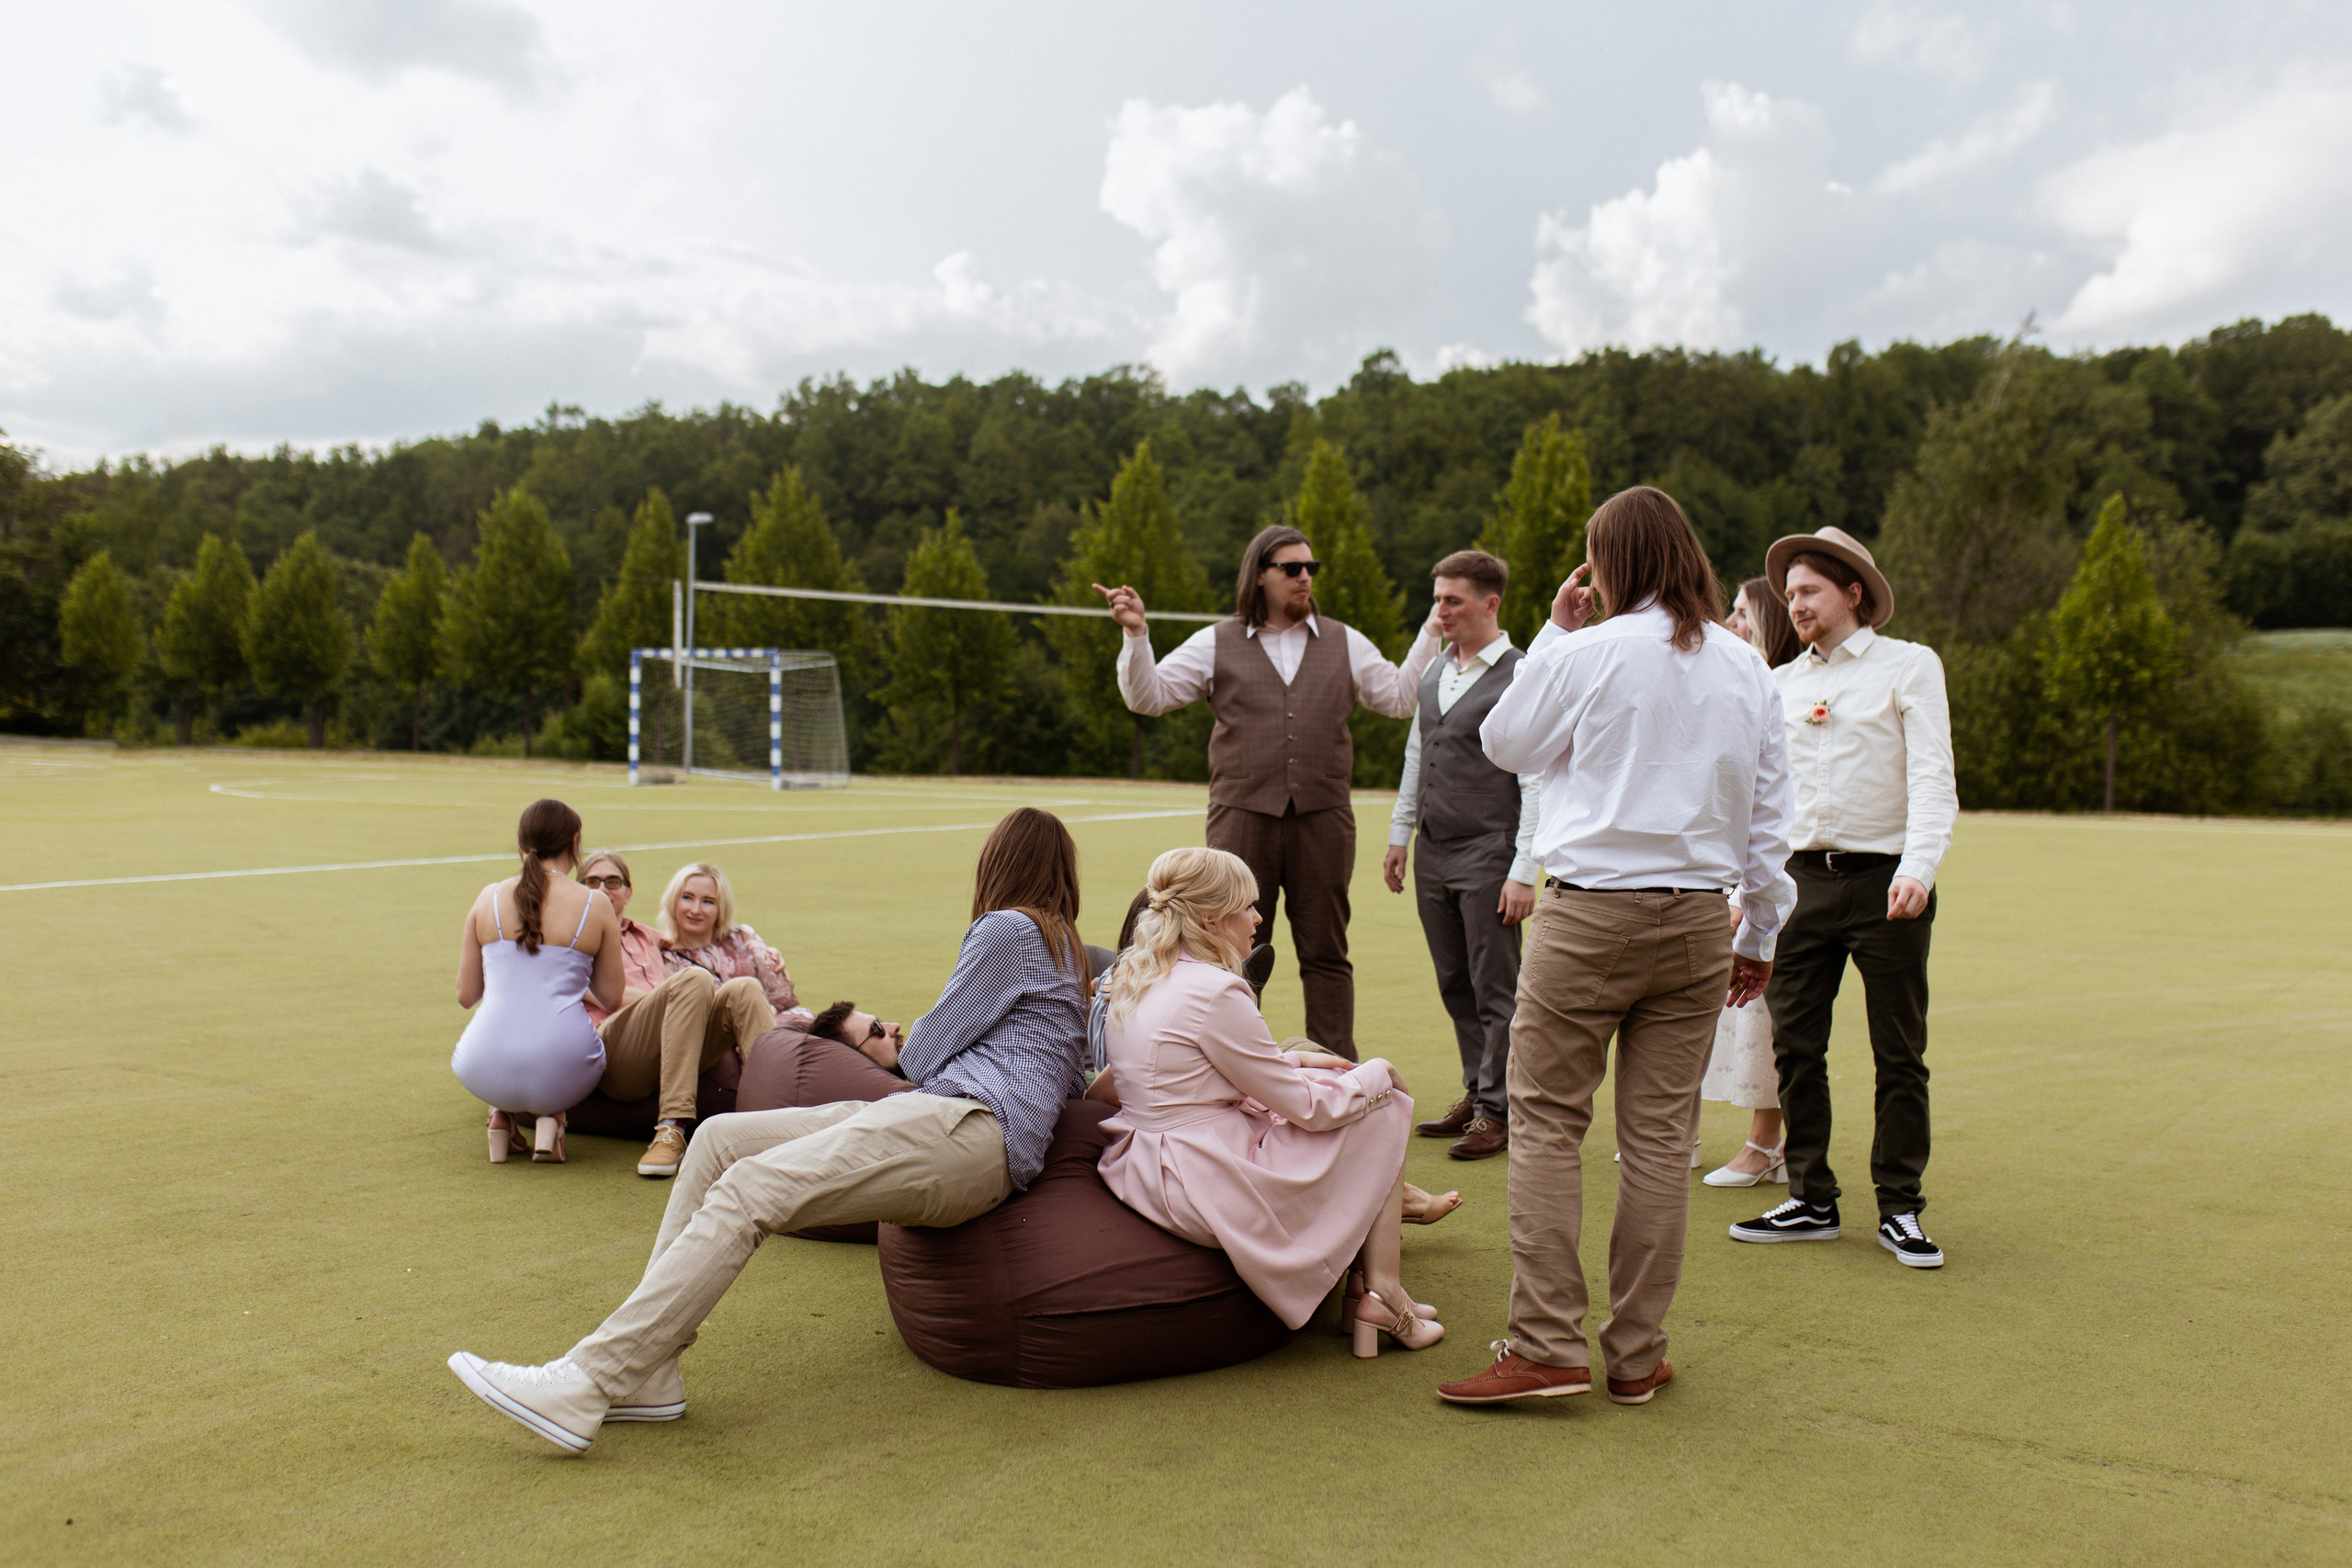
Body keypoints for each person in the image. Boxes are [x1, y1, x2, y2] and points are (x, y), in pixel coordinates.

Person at [447, 807, 1091, 1453]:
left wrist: (921, 1040)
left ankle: (591, 1377)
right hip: (944, 1117)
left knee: (751, 1185)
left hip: (968, 1125)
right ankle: (651, 1368)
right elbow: (1065, 1078)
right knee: (719, 1139)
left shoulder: (1008, 930)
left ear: (998, 862)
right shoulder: (1066, 951)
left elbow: (921, 1051)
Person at [1435, 486, 1793, 1408]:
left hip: (1591, 914)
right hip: (1700, 922)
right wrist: (1758, 930)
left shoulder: (1588, 650)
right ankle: (1636, 1355)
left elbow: (1503, 741)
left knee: (1549, 1125)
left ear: (1603, 566)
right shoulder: (1747, 664)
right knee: (1658, 1141)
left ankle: (1547, 1344)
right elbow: (1768, 820)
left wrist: (1554, 637)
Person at [1095, 524, 1440, 1060]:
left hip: (1324, 818)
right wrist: (1137, 635)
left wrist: (1431, 630)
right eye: (1292, 568)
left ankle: (1337, 1073)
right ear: (1260, 575)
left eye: (1311, 568)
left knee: (1326, 951)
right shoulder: (1217, 640)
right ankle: (1235, 1063)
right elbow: (1149, 697)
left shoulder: (1345, 641)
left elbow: (1399, 698)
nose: (1306, 578)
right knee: (1229, 950)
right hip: (1240, 816)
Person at [1094, 847, 1442, 1357]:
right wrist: (1379, 1074)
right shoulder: (1217, 990)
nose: (1259, 918)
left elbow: (1149, 1076)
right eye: (1248, 906)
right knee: (1379, 1104)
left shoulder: (1136, 977)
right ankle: (1383, 1295)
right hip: (1205, 1176)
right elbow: (1309, 1110)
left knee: (1344, 1092)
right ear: (1211, 917)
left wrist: (1292, 1061)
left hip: (1146, 1163)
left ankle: (1363, 1292)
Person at [1728, 528, 1956, 1269]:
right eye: (1789, 594)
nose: (1794, 605)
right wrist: (1745, 889)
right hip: (1799, 884)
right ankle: (1812, 1196)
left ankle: (1900, 1206)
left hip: (1886, 882)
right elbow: (1761, 800)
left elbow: (1932, 778)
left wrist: (1918, 868)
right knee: (1795, 1044)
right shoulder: (1782, 683)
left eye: (1809, 592)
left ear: (1852, 593)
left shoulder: (1910, 667)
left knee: (1899, 1050)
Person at [1381, 548, 1542, 1162]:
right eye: (1438, 599)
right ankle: (1478, 1091)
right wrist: (1401, 834)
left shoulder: (1522, 673)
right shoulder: (1433, 672)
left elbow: (1536, 779)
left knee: (1495, 985)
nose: (1440, 611)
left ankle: (1498, 1110)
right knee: (1454, 981)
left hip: (1489, 849)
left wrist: (1524, 869)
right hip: (1434, 849)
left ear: (1490, 603)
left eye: (1453, 600)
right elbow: (1417, 757)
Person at [577, 852, 786, 1179]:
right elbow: (603, 993)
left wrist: (769, 954)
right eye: (592, 881)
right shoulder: (573, 940)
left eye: (613, 881)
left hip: (665, 1048)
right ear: (579, 890)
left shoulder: (649, 937)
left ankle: (779, 1121)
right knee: (693, 980)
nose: (604, 888)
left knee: (744, 988)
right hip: (615, 1052)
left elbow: (701, 937)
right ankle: (671, 1129)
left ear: (628, 892)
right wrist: (671, 999)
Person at [1699, 578, 1804, 1187]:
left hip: (1775, 874)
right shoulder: (1736, 684)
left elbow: (1773, 803)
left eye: (1743, 612)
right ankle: (1685, 1133)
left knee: (1762, 1011)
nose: (1733, 621)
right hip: (1726, 871)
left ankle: (1767, 1142)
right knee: (1728, 1010)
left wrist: (1746, 895)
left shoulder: (1780, 689)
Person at [450, 800, 624, 1165]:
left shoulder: (488, 897)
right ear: (575, 844)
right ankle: (553, 1117)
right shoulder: (596, 903)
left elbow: (466, 995)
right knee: (563, 1043)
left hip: (482, 1066)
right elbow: (611, 997)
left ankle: (501, 1116)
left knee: (509, 1029)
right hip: (567, 1066)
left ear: (520, 844)